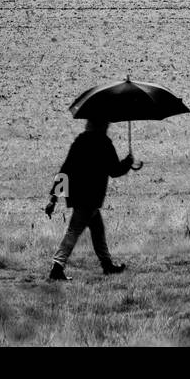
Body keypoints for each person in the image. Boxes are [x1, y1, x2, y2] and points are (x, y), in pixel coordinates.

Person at [45, 119, 137, 280]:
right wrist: (128, 163)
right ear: (101, 125)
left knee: (98, 230)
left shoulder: (80, 141)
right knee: (73, 231)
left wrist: (54, 198)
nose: (108, 125)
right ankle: (57, 267)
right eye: (106, 123)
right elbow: (114, 170)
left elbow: (65, 169)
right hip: (91, 197)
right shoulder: (104, 143)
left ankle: (107, 264)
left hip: (78, 195)